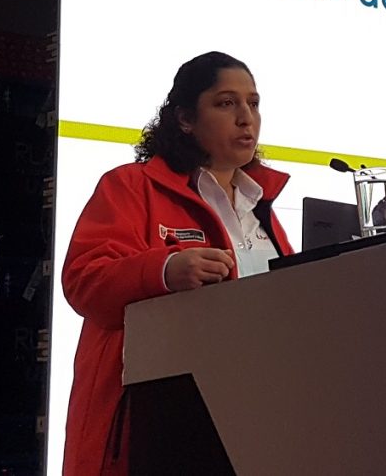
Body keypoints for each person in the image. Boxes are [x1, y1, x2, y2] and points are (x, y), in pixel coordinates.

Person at [60, 51, 294, 475]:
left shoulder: (261, 208)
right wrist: (164, 271)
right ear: (185, 119)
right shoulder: (131, 186)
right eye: (226, 103)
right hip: (154, 424)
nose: (246, 118)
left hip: (250, 416)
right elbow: (84, 280)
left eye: (253, 103)